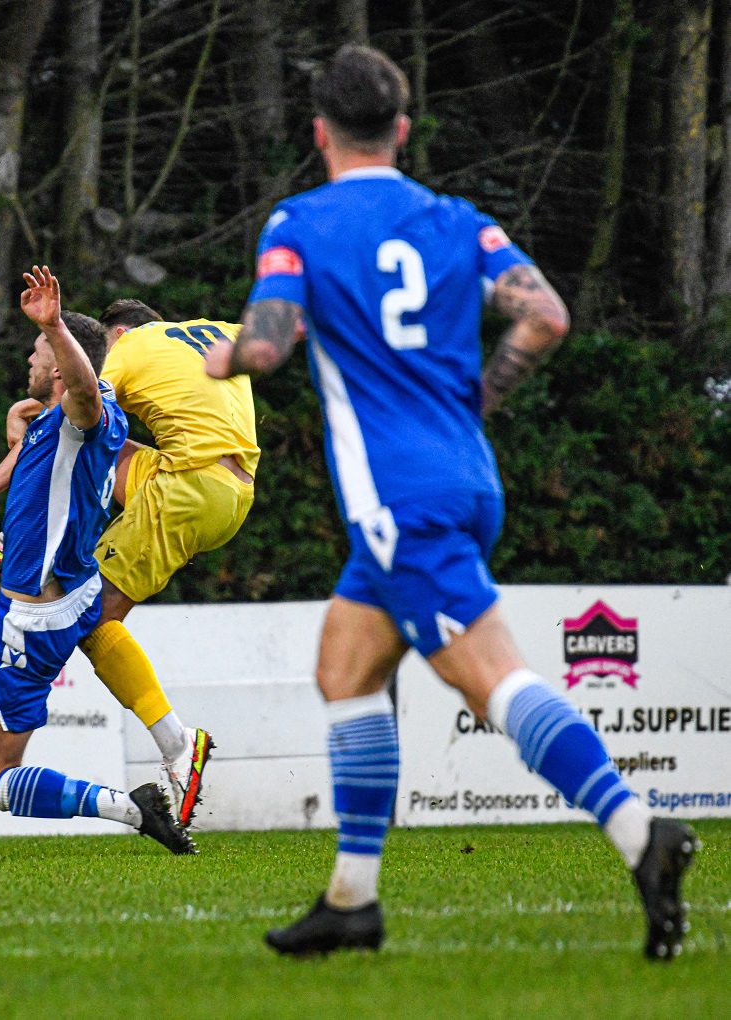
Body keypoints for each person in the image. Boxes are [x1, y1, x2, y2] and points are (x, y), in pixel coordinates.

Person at [205, 44, 697, 958]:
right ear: (400, 129)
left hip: (399, 502)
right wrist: (478, 400)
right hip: (464, 477)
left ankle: (640, 833)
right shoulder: (455, 219)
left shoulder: (300, 222)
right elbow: (545, 314)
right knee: (346, 669)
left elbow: (267, 346)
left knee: (497, 684)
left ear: (320, 133)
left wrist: (220, 355)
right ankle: (353, 901)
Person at [0, 297, 261, 827]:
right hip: (227, 487)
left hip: (185, 488)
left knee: (91, 616)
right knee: (100, 453)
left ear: (119, 332)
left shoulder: (124, 351)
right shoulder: (212, 330)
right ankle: (25, 579)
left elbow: (64, 410)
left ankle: (178, 743)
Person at [0, 265, 195, 855]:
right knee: (20, 602)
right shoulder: (68, 419)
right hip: (73, 595)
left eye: (35, 353)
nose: (28, 361)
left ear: (56, 362)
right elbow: (48, 438)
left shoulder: (83, 413)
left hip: (33, 619)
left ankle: (131, 809)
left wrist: (51, 324)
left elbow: (79, 393)